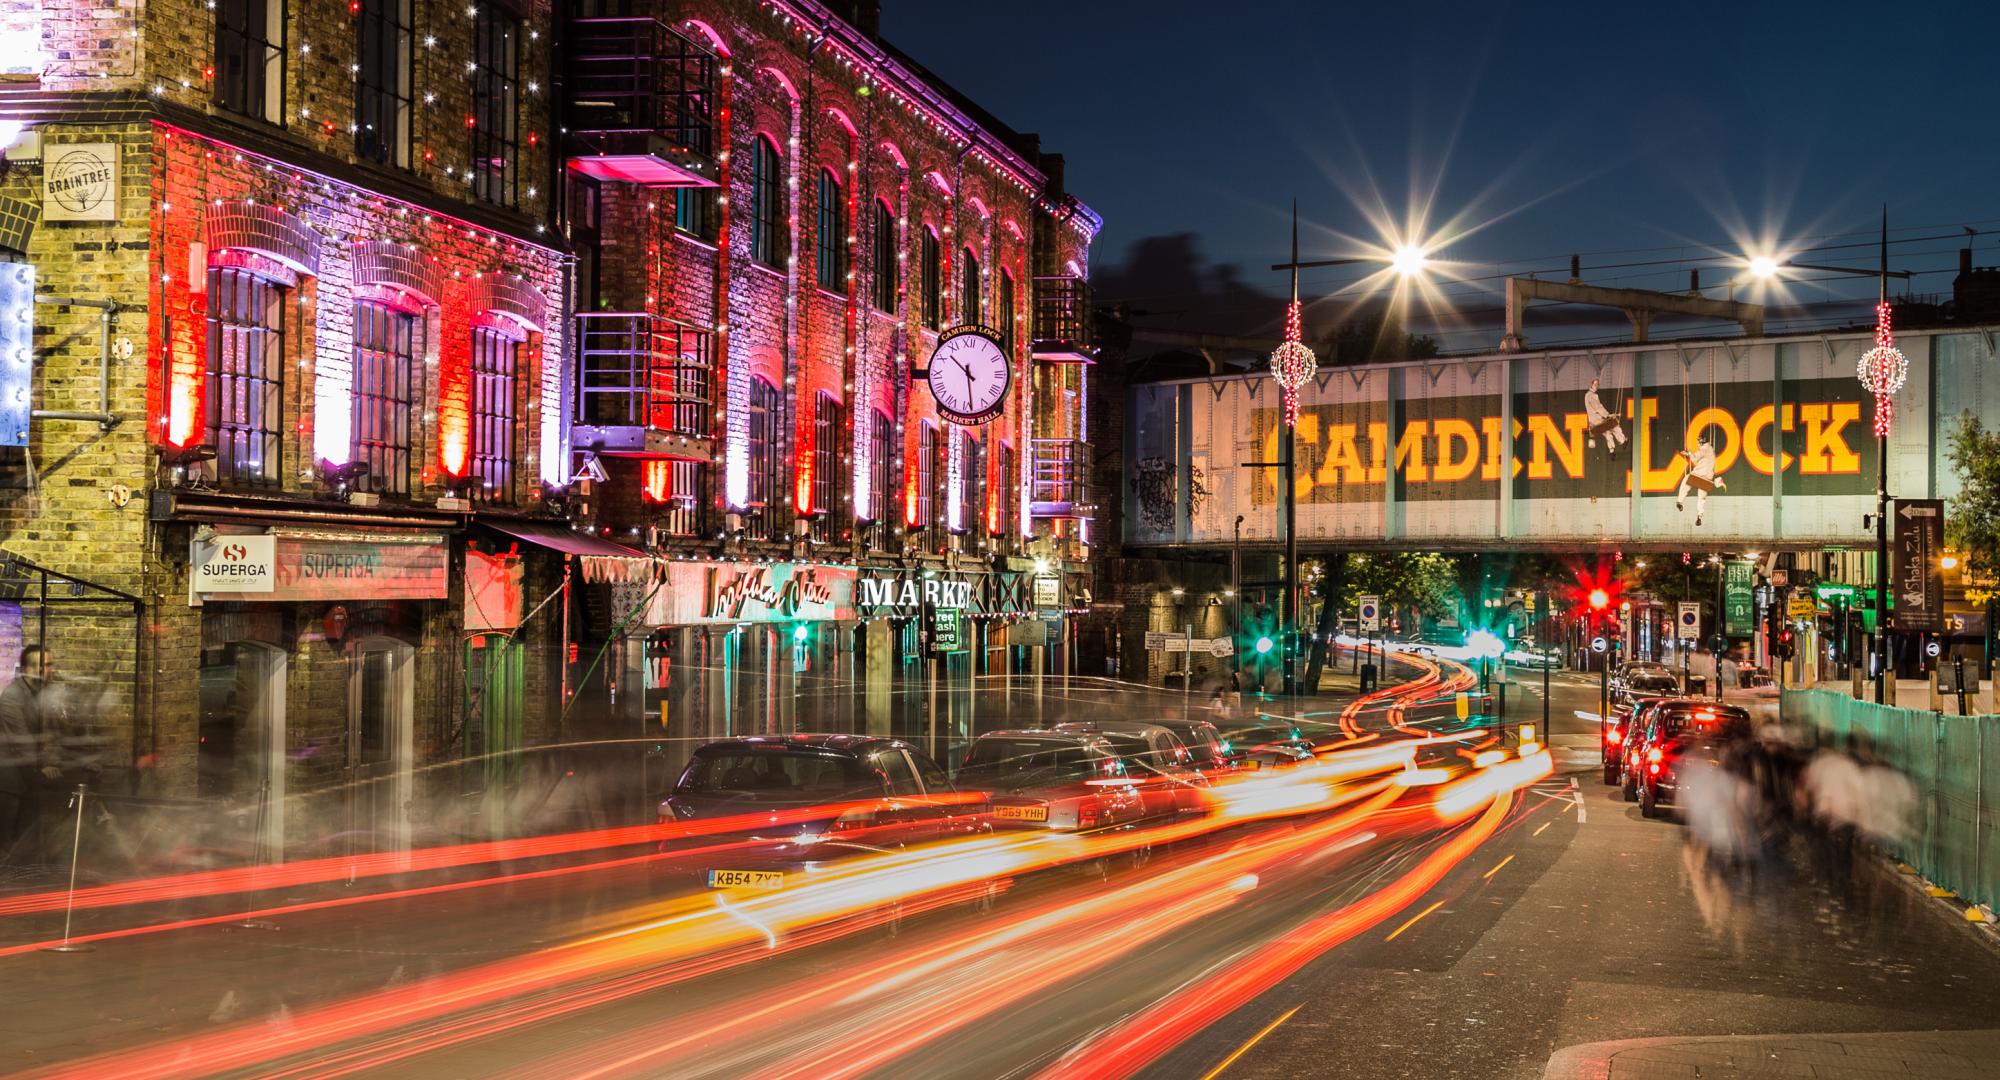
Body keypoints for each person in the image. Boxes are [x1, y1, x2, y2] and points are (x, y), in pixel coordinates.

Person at [0, 646, 57, 860]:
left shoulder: (42, 692)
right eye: (46, 665)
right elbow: (21, 740)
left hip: (27, 772)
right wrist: (45, 764)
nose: (52, 670)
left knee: (23, 839)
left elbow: (51, 732)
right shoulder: (12, 697)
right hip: (9, 778)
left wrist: (51, 759)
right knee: (7, 839)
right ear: (27, 669)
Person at [1676, 432, 1726, 526]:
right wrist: (1688, 454)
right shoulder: (1710, 449)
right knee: (1701, 498)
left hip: (1698, 475)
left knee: (1686, 481)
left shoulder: (1704, 448)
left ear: (1702, 442)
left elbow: (1695, 458)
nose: (1698, 444)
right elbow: (1701, 456)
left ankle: (1680, 501)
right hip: (1707, 479)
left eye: (1699, 442)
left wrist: (1689, 453)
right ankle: (1699, 516)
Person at [1584, 378, 1626, 456]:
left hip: (1594, 422)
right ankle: (1622, 441)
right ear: (1591, 384)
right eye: (1595, 384)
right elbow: (1598, 407)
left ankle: (1612, 451)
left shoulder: (1589, 395)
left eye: (1598, 385)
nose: (1596, 386)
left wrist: (1607, 415)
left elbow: (1598, 408)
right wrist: (1608, 415)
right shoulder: (1591, 395)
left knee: (1607, 432)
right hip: (1597, 421)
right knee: (1614, 425)